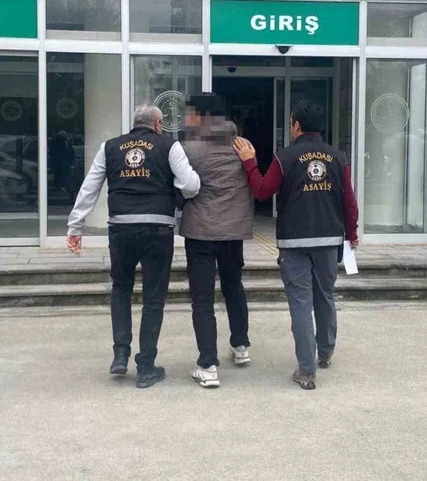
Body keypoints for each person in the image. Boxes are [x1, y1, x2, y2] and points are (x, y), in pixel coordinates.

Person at [66, 104, 200, 389]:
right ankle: (146, 367)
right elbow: (190, 185)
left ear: (135, 123)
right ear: (158, 124)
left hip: (121, 228)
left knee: (121, 288)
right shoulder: (169, 146)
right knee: (153, 299)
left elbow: (90, 187)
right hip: (157, 228)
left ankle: (120, 354)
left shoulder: (110, 147)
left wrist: (75, 226)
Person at [234, 99, 359, 391]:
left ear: (297, 125)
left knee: (301, 304)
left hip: (294, 242)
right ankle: (325, 351)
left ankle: (306, 371)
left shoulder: (285, 157)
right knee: (325, 295)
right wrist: (351, 233)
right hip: (329, 239)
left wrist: (249, 161)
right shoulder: (338, 157)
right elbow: (349, 201)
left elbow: (262, 190)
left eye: (291, 123)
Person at [180, 94, 254, 389]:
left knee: (202, 299)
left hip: (200, 231)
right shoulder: (243, 146)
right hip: (233, 231)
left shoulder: (189, 149)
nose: (186, 119)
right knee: (233, 286)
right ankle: (241, 345)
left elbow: (181, 187)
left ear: (204, 117)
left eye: (190, 114)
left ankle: (208, 365)